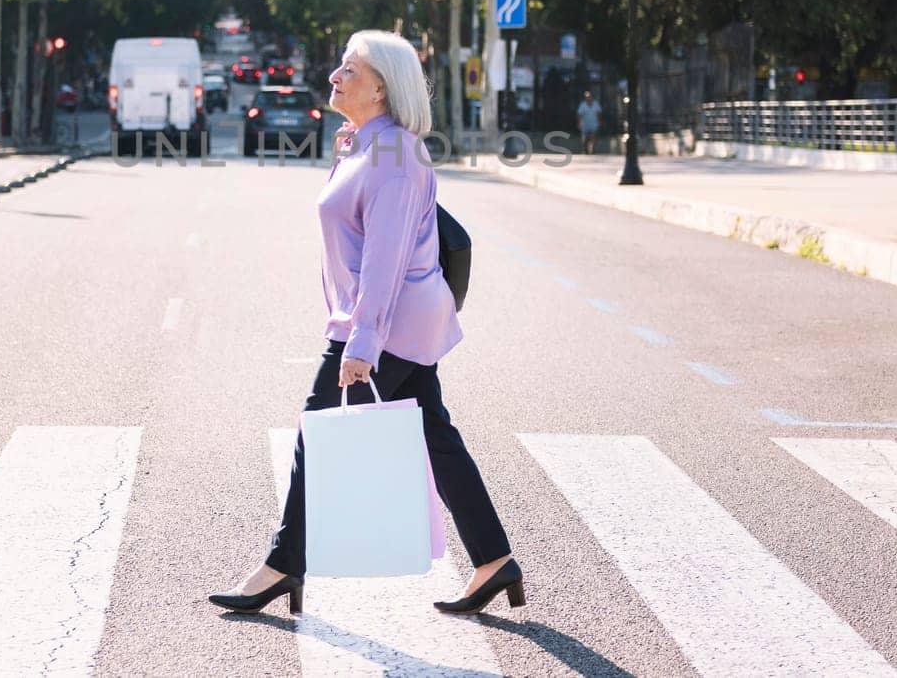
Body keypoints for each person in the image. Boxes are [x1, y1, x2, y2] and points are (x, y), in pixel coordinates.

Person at [209, 30, 521, 617]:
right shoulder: (363, 144)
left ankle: (280, 567)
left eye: (348, 69)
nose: (334, 76)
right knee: (435, 437)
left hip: (385, 324)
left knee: (315, 434)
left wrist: (363, 341)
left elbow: (386, 257)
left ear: (380, 87)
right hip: (391, 321)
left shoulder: (395, 154)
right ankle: (494, 560)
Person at [576, 89, 603, 155]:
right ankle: (586, 151)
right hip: (585, 124)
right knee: (585, 138)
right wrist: (579, 123)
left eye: (589, 96)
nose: (588, 98)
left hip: (594, 123)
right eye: (587, 97)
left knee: (593, 136)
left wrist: (599, 121)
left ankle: (593, 150)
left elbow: (599, 113)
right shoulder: (582, 105)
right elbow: (579, 114)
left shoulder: (596, 104)